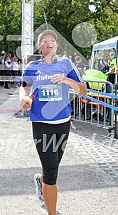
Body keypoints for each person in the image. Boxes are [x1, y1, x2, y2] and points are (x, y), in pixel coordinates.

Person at [20, 30, 87, 215]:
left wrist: (65, 79)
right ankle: (52, 212)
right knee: (51, 172)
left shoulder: (66, 64)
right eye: (44, 40)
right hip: (41, 123)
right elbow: (23, 87)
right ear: (39, 46)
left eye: (52, 40)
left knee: (52, 165)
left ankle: (39, 182)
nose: (49, 43)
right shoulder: (33, 66)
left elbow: (83, 90)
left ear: (56, 45)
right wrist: (23, 99)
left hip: (63, 122)